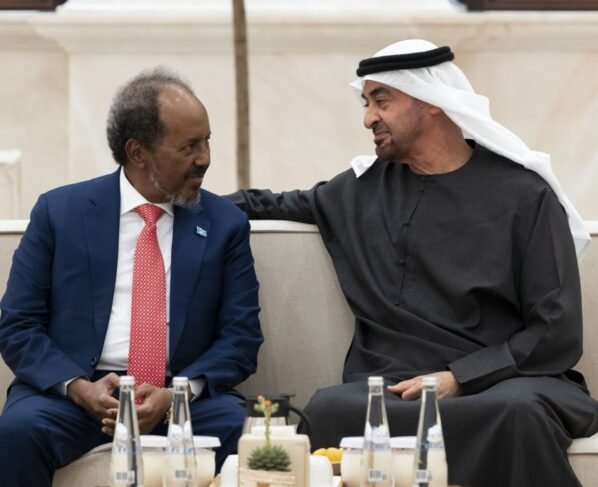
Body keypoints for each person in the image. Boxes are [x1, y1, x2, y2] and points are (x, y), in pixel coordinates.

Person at [227, 39, 598, 486]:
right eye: (366, 103)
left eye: (381, 101)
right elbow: (266, 204)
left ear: (432, 101)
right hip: (392, 388)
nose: (368, 118)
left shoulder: (525, 196)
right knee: (330, 407)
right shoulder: (359, 191)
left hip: (501, 382)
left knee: (518, 412)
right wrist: (177, 198)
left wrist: (460, 378)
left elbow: (555, 330)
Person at [0, 67, 263, 486]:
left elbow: (241, 338)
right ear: (138, 152)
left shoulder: (224, 225)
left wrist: (175, 395)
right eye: (189, 146)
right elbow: (18, 325)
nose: (205, 158)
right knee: (18, 431)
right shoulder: (59, 213)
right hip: (77, 397)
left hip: (182, 400)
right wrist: (78, 388)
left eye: (207, 141)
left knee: (246, 433)